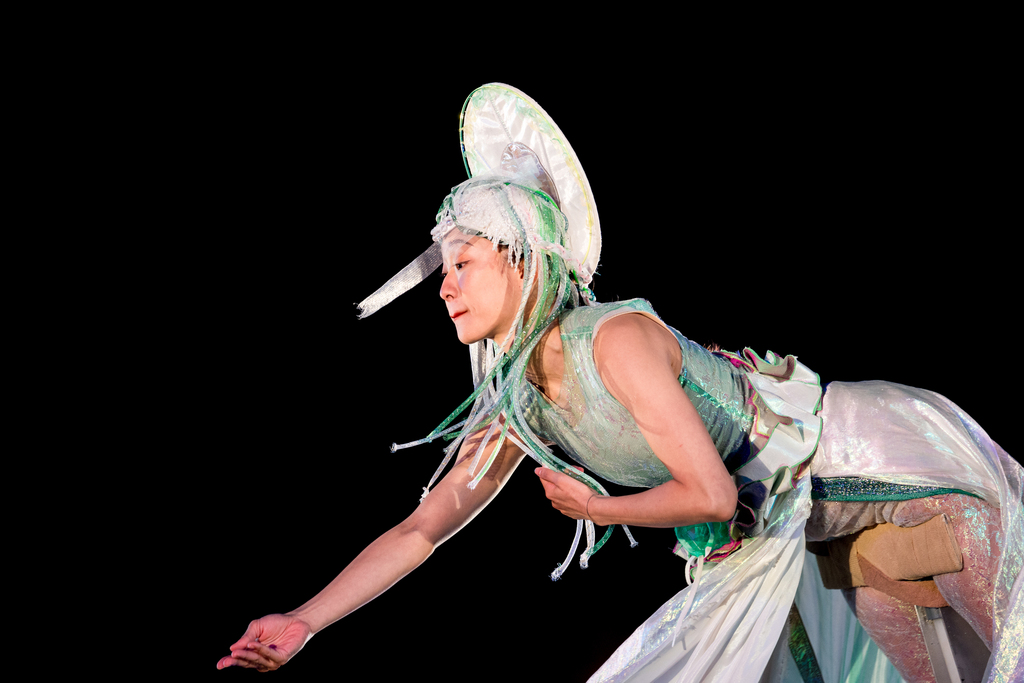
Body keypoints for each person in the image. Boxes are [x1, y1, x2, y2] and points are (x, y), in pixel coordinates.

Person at [216, 84, 1022, 682]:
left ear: (522, 259)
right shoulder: (520, 405)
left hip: (884, 463)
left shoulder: (615, 340)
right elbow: (422, 528)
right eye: (443, 270)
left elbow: (710, 493)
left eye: (463, 263)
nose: (445, 287)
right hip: (818, 535)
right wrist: (305, 620)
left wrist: (598, 509)